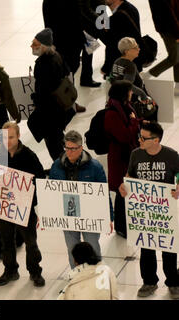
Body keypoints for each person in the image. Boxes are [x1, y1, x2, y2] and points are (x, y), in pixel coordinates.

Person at [119, 122, 179, 299]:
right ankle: (149, 281)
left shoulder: (171, 155)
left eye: (144, 138)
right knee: (146, 249)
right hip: (145, 212)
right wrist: (124, 185)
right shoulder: (136, 155)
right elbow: (130, 175)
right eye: (140, 136)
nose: (140, 140)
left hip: (165, 212)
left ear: (156, 140)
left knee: (169, 249)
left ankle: (173, 282)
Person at [49, 130, 114, 268]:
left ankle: (96, 275)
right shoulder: (56, 166)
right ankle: (75, 277)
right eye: (67, 148)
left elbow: (103, 193)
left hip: (90, 214)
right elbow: (51, 192)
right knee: (72, 248)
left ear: (81, 148)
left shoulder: (95, 167)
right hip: (68, 214)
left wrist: (109, 216)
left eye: (73, 148)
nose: (69, 152)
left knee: (93, 247)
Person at [0, 122, 45, 287]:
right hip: (4, 207)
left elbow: (40, 178)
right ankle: (10, 270)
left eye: (11, 137)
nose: (7, 141)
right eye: (3, 138)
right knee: (6, 241)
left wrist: (32, 200)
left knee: (31, 242)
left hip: (25, 207)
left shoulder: (29, 155)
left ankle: (35, 271)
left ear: (18, 136)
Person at [28, 28, 76, 163]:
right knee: (58, 139)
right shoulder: (57, 56)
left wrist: (35, 99)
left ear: (44, 47)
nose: (31, 46)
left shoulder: (43, 64)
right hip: (61, 108)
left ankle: (63, 168)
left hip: (50, 113)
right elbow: (67, 72)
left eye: (35, 44)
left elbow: (44, 92)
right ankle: (62, 164)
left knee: (53, 145)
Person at [104, 80, 140, 238]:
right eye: (130, 91)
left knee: (126, 190)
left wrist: (137, 122)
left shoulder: (124, 107)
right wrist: (133, 122)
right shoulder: (112, 113)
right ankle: (121, 226)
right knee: (121, 191)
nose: (132, 93)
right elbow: (124, 135)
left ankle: (126, 224)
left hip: (127, 155)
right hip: (119, 157)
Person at [100, 0, 142, 78]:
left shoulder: (118, 17)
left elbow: (112, 46)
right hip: (133, 63)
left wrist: (106, 67)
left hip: (123, 68)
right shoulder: (130, 8)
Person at [147, 0, 179, 91]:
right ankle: (149, 75)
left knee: (177, 55)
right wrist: (177, 33)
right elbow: (168, 13)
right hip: (169, 28)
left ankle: (178, 85)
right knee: (174, 58)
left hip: (173, 26)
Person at [111, 37, 149, 102]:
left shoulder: (117, 61)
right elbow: (127, 85)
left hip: (119, 98)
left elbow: (112, 79)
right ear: (127, 51)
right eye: (136, 47)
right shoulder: (130, 65)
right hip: (131, 100)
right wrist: (143, 94)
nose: (139, 49)